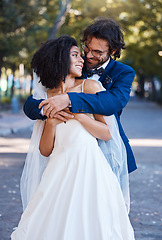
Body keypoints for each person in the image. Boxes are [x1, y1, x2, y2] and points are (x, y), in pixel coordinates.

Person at [11, 36, 135, 240]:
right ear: (59, 59)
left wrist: (76, 112)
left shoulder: (90, 87)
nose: (83, 59)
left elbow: (107, 133)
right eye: (76, 54)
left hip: (91, 169)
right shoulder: (47, 97)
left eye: (81, 54)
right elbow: (44, 150)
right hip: (57, 171)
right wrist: (50, 121)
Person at [23, 17, 137, 176]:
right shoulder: (72, 65)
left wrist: (69, 99)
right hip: (67, 154)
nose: (88, 56)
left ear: (113, 51)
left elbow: (114, 101)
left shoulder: (123, 72)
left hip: (107, 150)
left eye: (97, 52)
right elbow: (30, 105)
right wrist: (49, 110)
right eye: (87, 48)